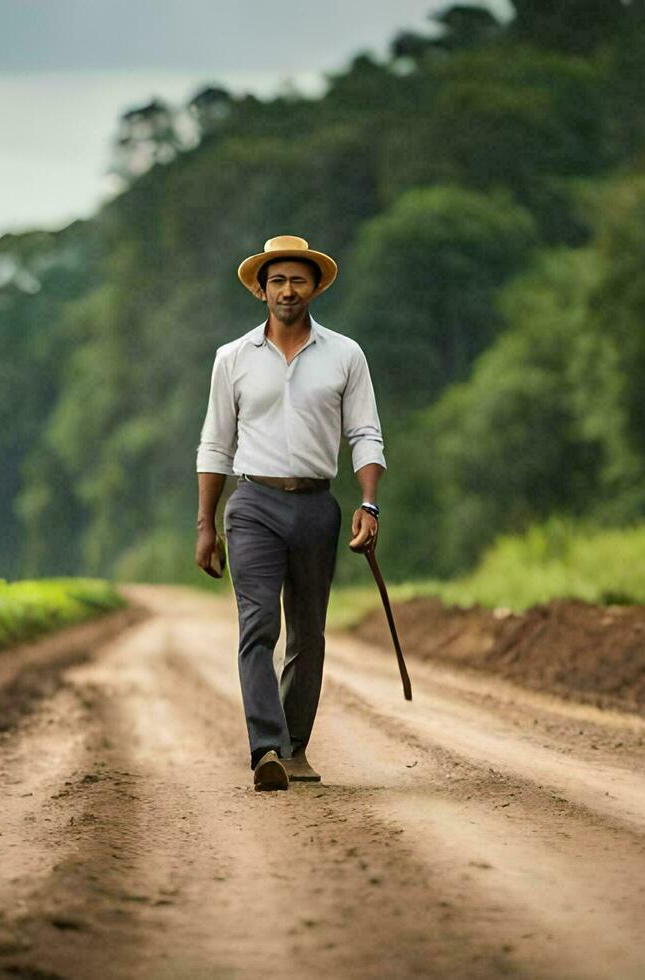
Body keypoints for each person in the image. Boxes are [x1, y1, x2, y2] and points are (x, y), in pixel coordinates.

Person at [195, 235, 386, 792]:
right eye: (276, 280)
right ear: (261, 289)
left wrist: (368, 504)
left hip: (316, 506)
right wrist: (206, 525)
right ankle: (267, 749)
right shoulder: (231, 359)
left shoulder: (345, 355)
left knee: (308, 632)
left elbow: (365, 433)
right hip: (252, 503)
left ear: (315, 287)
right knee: (259, 626)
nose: (286, 290)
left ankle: (295, 747)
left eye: (297, 280)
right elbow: (215, 444)